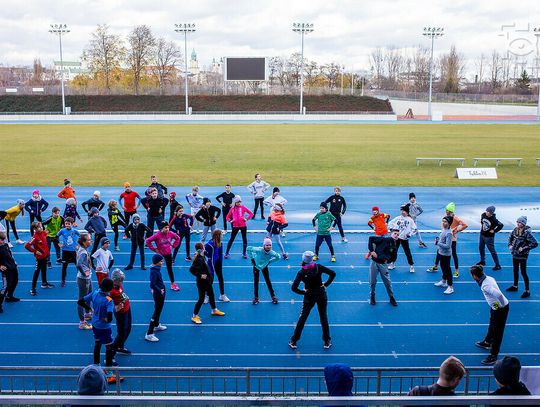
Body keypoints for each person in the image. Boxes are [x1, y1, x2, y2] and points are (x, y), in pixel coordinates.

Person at [289, 251, 336, 349]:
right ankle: (327, 341)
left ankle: (294, 340)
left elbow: (293, 288)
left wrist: (303, 292)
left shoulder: (301, 272)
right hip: (321, 294)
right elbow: (333, 273)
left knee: (303, 318)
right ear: (312, 259)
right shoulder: (319, 267)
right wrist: (326, 284)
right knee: (323, 317)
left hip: (309, 296)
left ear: (303, 260)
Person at [77, 277, 120, 384]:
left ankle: (96, 366)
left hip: (95, 324)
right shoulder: (109, 300)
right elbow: (110, 318)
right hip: (104, 327)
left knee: (97, 344)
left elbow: (80, 301)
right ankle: (109, 373)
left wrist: (91, 309)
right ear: (109, 288)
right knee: (109, 347)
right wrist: (104, 318)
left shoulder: (94, 293)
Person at [470, 264, 510, 365]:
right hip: (495, 307)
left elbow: (499, 294)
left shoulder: (485, 285)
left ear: (475, 276)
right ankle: (487, 342)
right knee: (492, 324)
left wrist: (501, 305)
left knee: (498, 332)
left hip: (500, 309)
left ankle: (493, 355)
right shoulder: (488, 278)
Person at [427, 202, 468, 278]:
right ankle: (435, 266)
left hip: (452, 239)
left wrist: (457, 230)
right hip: (444, 238)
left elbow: (465, 225)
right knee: (438, 252)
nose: (445, 211)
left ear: (450, 210)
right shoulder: (446, 217)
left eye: (447, 210)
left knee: (454, 254)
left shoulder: (455, 218)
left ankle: (456, 271)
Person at [190, 242, 226, 324]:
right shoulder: (199, 259)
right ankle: (194, 316)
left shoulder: (202, 256)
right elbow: (192, 270)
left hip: (207, 281)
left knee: (211, 295)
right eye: (203, 246)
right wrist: (200, 275)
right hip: (201, 283)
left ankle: (214, 310)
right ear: (202, 248)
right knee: (201, 299)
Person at [507, 216, 538, 298]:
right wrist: (510, 244)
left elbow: (535, 243)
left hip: (523, 256)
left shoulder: (527, 233)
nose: (518, 223)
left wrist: (524, 248)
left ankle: (527, 291)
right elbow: (510, 237)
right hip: (514, 254)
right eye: (517, 221)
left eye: (520, 222)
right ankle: (515, 286)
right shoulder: (515, 230)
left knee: (523, 272)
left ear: (523, 224)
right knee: (515, 270)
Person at [146, 221, 181, 291]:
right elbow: (148, 241)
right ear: (161, 228)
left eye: (168, 227)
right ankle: (154, 286)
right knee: (156, 271)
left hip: (168, 254)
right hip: (160, 255)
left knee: (170, 269)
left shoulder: (170, 233)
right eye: (165, 227)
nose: (167, 229)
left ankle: (173, 284)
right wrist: (154, 249)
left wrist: (173, 246)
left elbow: (178, 238)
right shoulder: (157, 235)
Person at [367, 230, 399, 306]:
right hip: (374, 263)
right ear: (391, 234)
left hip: (383, 265)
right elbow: (370, 238)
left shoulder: (394, 246)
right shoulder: (384, 239)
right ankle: (372, 296)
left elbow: (394, 257)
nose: (396, 235)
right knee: (372, 281)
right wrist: (371, 251)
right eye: (395, 233)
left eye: (398, 234)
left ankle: (391, 297)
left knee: (387, 282)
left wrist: (387, 260)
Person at [246, 238, 281, 305]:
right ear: (264, 245)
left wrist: (270, 261)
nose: (268, 247)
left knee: (268, 281)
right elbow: (248, 248)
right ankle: (256, 297)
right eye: (267, 245)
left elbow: (278, 257)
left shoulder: (271, 252)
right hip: (256, 266)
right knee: (256, 281)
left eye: (270, 245)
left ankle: (273, 296)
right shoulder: (259, 250)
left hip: (264, 266)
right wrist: (252, 259)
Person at [25, 221, 54, 296]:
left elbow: (47, 231)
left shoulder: (44, 233)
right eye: (39, 227)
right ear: (35, 229)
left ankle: (44, 283)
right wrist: (35, 251)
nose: (41, 228)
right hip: (39, 258)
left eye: (41, 226)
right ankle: (33, 288)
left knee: (44, 270)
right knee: (37, 272)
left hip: (45, 256)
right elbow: (27, 246)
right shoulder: (35, 237)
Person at [388, 204, 417, 273]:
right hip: (397, 238)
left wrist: (409, 234)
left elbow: (415, 229)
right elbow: (390, 224)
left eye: (405, 211)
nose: (403, 212)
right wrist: (392, 231)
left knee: (407, 252)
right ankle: (392, 263)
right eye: (402, 210)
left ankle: (411, 265)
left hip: (404, 239)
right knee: (394, 251)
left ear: (407, 212)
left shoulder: (410, 220)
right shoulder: (398, 218)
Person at [145, 254, 168, 342]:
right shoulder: (154, 271)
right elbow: (152, 284)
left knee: (159, 310)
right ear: (157, 262)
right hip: (159, 294)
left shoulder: (157, 269)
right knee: (156, 312)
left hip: (160, 293)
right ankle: (149, 333)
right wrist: (160, 290)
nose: (162, 262)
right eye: (161, 261)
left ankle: (156, 325)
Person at [110, 269, 132, 356]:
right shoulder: (111, 291)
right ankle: (111, 356)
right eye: (121, 281)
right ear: (115, 280)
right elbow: (107, 300)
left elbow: (121, 293)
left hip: (127, 308)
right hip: (121, 313)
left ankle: (120, 347)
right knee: (121, 334)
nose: (122, 283)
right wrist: (115, 307)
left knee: (128, 328)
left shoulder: (118, 285)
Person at [205, 229, 229, 302]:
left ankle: (222, 295)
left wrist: (220, 263)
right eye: (221, 235)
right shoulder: (209, 244)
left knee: (220, 278)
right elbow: (204, 251)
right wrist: (209, 256)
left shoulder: (220, 243)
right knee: (210, 280)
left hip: (218, 262)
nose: (222, 236)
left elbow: (220, 254)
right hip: (211, 263)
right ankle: (207, 296)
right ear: (218, 235)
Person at [433, 216, 455, 295]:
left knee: (447, 270)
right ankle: (443, 281)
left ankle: (450, 287)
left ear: (449, 223)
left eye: (445, 221)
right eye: (443, 221)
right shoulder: (444, 229)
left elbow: (448, 246)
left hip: (446, 254)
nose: (443, 223)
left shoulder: (449, 233)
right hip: (441, 252)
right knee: (443, 267)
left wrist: (437, 243)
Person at [477, 205, 503, 271]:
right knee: (481, 248)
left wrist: (494, 231)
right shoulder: (483, 215)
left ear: (491, 213)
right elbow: (482, 221)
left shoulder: (494, 220)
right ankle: (482, 261)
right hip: (482, 235)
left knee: (492, 251)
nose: (487, 213)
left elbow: (501, 225)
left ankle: (497, 265)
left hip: (489, 237)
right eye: (487, 211)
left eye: (489, 212)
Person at [76, 233, 94, 330]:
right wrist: (84, 273)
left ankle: (87, 313)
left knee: (89, 295)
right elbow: (78, 264)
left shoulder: (83, 249)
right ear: (84, 242)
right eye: (89, 240)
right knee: (81, 300)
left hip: (87, 277)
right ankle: (82, 323)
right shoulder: (83, 252)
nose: (91, 241)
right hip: (83, 279)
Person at [57, 217, 80, 287]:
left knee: (78, 266)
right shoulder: (62, 231)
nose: (67, 225)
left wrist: (79, 245)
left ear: (72, 224)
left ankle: (79, 279)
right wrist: (59, 244)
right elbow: (55, 237)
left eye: (69, 224)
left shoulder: (75, 231)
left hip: (73, 251)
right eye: (66, 224)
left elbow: (82, 237)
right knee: (64, 266)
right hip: (65, 251)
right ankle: (63, 280)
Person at [0, 231, 20, 308]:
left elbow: (10, 254)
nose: (3, 241)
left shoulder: (5, 245)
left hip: (13, 267)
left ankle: (9, 297)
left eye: (4, 239)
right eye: (1, 240)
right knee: (6, 286)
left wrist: (14, 262)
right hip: (6, 270)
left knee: (15, 281)